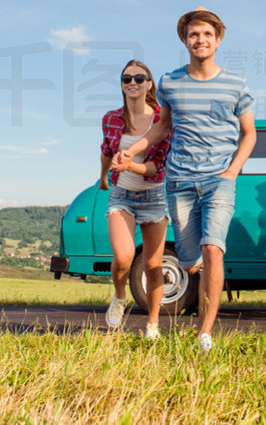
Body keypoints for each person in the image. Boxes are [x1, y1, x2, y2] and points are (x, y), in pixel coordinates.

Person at [116, 7, 256, 355]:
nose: (200, 40)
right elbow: (162, 126)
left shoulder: (236, 84)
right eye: (194, 34)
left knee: (213, 249)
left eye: (207, 34)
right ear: (185, 40)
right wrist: (132, 151)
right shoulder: (169, 82)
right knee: (192, 260)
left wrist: (231, 172)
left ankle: (204, 333)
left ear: (218, 39)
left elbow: (250, 134)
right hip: (179, 181)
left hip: (219, 180)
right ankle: (201, 288)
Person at [99, 60, 171, 340]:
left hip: (154, 196)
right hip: (121, 196)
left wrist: (130, 165)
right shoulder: (111, 118)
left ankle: (152, 323)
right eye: (126, 78)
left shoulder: (161, 120)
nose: (133, 82)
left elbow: (158, 167)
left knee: (153, 266)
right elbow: (106, 150)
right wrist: (104, 177)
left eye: (140, 78)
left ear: (149, 84)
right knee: (124, 257)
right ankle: (119, 296)